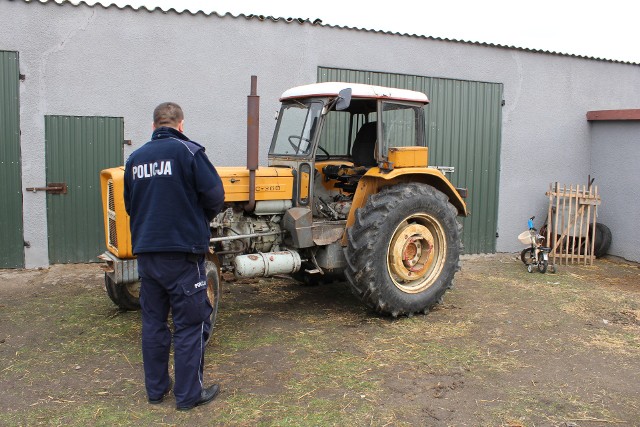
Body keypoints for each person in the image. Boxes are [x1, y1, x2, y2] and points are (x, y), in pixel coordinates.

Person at [124, 102, 225, 411]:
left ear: (154, 126)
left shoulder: (135, 159)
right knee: (190, 325)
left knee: (153, 324)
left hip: (147, 254)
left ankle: (156, 391)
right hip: (182, 255)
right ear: (181, 125)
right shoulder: (189, 152)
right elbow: (215, 197)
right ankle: (188, 395)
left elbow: (131, 205)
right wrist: (197, 218)